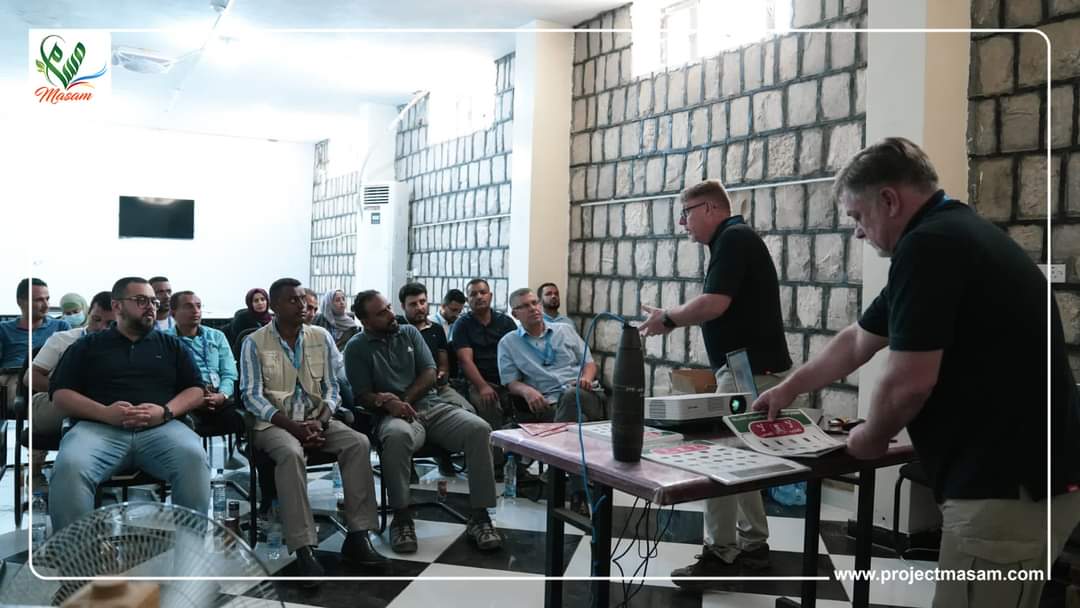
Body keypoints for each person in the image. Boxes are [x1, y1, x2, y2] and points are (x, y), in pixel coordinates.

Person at [752, 137, 1080, 607]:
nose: (858, 233)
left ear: (889, 200)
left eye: (858, 216)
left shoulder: (929, 246)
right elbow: (858, 340)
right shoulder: (956, 233)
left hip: (1005, 488)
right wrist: (789, 389)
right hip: (1030, 482)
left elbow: (910, 383)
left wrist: (870, 436)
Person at [638, 179, 792, 586]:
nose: (682, 223)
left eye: (685, 213)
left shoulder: (733, 239)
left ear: (709, 208)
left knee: (718, 458)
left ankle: (721, 553)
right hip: (749, 370)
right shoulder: (733, 240)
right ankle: (753, 546)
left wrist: (667, 318)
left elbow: (714, 304)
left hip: (748, 372)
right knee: (742, 462)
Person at [240, 278, 385, 581]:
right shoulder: (254, 342)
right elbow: (251, 396)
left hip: (316, 418)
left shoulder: (321, 336)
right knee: (291, 453)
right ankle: (304, 547)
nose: (303, 305)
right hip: (274, 423)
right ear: (275, 305)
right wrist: (293, 427)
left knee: (358, 443)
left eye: (304, 299)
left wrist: (321, 421)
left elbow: (333, 387)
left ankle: (358, 536)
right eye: (293, 300)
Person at [345, 290, 502, 554]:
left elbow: (430, 373)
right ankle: (402, 518)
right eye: (381, 313)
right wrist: (388, 404)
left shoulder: (409, 333)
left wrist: (405, 400)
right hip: (392, 416)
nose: (391, 314)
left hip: (431, 406)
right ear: (366, 321)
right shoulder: (356, 347)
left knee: (479, 429)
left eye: (388, 307)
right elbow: (362, 395)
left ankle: (480, 515)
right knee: (397, 437)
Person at [47, 277, 209, 531]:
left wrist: (165, 412)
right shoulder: (88, 346)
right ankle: (75, 552)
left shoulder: (171, 346)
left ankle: (191, 549)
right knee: (71, 466)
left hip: (161, 428)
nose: (151, 307)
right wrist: (105, 413)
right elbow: (60, 394)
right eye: (141, 300)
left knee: (193, 458)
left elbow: (196, 390)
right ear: (117, 306)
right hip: (98, 428)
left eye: (153, 301)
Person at [498, 287, 608, 513]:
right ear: (515, 314)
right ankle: (578, 489)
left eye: (534, 303)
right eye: (525, 306)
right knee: (573, 422)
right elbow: (510, 382)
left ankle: (560, 471)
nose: (533, 308)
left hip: (584, 394)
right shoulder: (508, 343)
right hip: (548, 404)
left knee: (571, 397)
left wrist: (586, 379)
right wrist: (527, 391)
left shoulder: (564, 330)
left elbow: (589, 363)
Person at [23, 290, 114, 490]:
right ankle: (38, 472)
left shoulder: (125, 346)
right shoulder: (63, 339)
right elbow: (31, 377)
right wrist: (69, 392)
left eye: (110, 323)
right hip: (57, 402)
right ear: (88, 314)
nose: (101, 327)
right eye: (96, 319)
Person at [166, 291, 241, 446]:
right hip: (185, 400)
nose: (196, 311)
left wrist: (222, 395)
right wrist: (194, 398)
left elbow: (229, 372)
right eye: (188, 307)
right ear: (173, 313)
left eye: (198, 306)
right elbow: (166, 378)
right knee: (182, 425)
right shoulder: (165, 340)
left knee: (243, 418)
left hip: (218, 396)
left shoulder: (217, 336)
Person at [450, 279, 518, 435]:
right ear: (467, 300)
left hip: (506, 379)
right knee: (488, 403)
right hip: (477, 381)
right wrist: (482, 386)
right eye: (473, 294)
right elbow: (465, 361)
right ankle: (495, 449)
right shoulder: (462, 325)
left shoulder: (505, 322)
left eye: (483, 292)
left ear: (490, 296)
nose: (479, 297)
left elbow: (517, 354)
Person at [398, 282, 473, 413]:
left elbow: (443, 364)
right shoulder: (397, 328)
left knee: (469, 411)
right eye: (413, 304)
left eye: (422, 302)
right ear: (403, 306)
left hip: (437, 387)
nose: (419, 307)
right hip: (407, 389)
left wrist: (442, 373)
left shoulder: (436, 329)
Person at [0, 278, 71, 410]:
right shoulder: (3, 329)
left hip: (46, 377)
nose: (46, 305)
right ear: (20, 302)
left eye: (47, 299)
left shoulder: (61, 326)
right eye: (38, 300)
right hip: (13, 377)